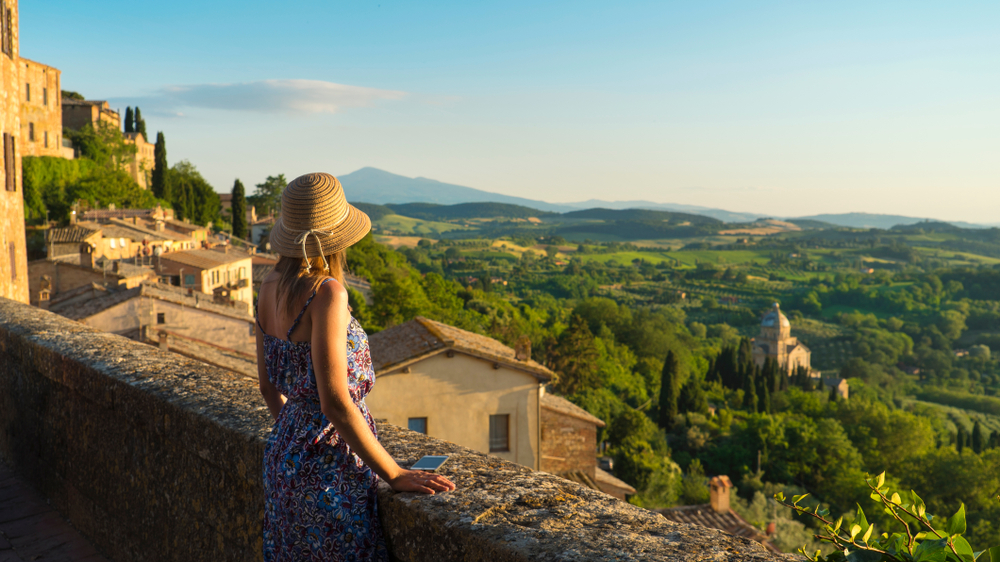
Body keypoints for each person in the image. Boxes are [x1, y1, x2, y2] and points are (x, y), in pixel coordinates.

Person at [255, 173, 455, 561]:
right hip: (331, 470)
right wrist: (394, 474)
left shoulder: (267, 287)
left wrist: (297, 436)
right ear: (336, 238)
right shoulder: (326, 292)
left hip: (282, 459)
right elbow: (336, 403)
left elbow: (267, 387)